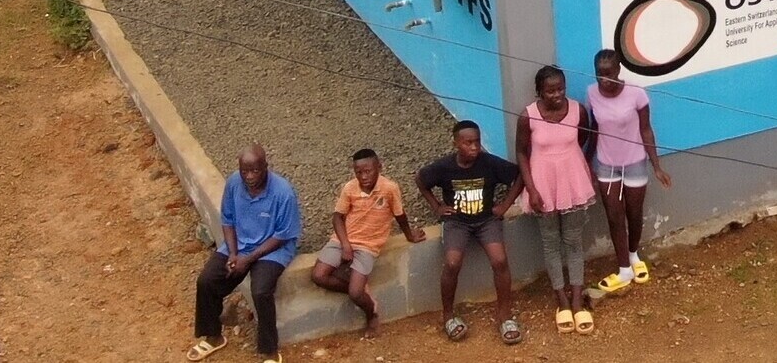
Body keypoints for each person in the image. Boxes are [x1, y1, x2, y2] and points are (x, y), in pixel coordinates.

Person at [417, 120, 525, 345]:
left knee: (500, 260)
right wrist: (437, 206)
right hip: (457, 222)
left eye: (477, 142)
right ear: (456, 143)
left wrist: (504, 205)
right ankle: (448, 316)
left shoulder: (489, 163)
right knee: (453, 263)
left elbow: (519, 176)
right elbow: (421, 180)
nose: (474, 147)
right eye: (468, 143)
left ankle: (505, 316)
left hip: (486, 220)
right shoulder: (445, 167)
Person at [189, 146, 300, 363]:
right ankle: (213, 337)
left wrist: (247, 260)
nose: (249, 177)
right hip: (239, 244)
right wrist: (232, 254)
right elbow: (228, 220)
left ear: (265, 167)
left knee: (260, 290)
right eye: (244, 171)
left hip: (273, 249)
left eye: (255, 171)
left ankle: (269, 350)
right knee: (207, 281)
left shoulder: (283, 193)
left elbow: (283, 235)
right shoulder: (233, 183)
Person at [515, 66, 599, 333]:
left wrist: (582, 164)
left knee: (573, 242)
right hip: (543, 186)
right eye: (550, 91)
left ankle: (577, 301)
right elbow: (522, 153)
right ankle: (560, 300)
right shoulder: (527, 116)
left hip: (573, 183)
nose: (557, 95)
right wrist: (532, 189)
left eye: (561, 88)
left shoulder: (577, 111)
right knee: (551, 243)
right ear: (539, 91)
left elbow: (586, 137)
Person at [309, 147, 423, 333]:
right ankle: (362, 289)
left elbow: (399, 215)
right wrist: (345, 244)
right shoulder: (350, 188)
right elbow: (337, 217)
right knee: (318, 275)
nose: (363, 176)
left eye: (368, 171)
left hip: (368, 246)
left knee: (355, 294)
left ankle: (371, 313)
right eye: (358, 172)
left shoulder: (389, 188)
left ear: (379, 167)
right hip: (343, 240)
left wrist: (409, 235)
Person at [589, 48, 670, 295]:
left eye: (609, 73)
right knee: (615, 216)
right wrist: (586, 161)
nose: (604, 79)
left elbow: (646, 130)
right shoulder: (591, 94)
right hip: (606, 164)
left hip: (635, 161)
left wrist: (656, 166)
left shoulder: (637, 94)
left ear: (619, 70)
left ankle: (634, 256)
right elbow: (594, 129)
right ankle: (624, 270)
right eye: (599, 74)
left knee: (634, 214)